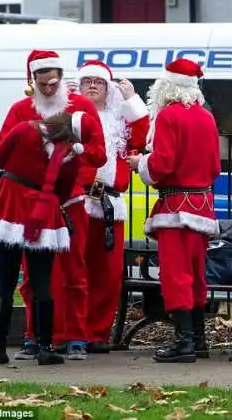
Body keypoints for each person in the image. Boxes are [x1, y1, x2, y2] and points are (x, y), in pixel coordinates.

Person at [0, 49, 107, 362]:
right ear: (32, 80)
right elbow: (2, 151)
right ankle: (34, 336)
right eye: (43, 83)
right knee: (33, 277)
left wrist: (77, 149)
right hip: (33, 206)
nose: (49, 89)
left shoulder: (81, 107)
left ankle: (76, 336)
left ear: (61, 78)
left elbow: (100, 153)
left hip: (70, 201)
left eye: (53, 82)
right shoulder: (20, 110)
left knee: (75, 270)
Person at [0, 112, 97, 366]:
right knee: (42, 282)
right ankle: (45, 348)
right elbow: (64, 189)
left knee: (4, 283)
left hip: (9, 204)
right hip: (44, 212)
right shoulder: (70, 154)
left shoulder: (24, 129)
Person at [127, 57, 221, 363]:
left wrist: (139, 163)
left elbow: (162, 164)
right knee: (196, 276)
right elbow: (215, 167)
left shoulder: (168, 117)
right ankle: (198, 340)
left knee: (175, 275)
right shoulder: (207, 117)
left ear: (166, 86)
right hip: (202, 206)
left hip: (176, 208)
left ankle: (183, 345)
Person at [74, 60, 149, 353]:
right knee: (75, 271)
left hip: (110, 204)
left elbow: (143, 134)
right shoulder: (74, 116)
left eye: (99, 82)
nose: (93, 85)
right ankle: (73, 332)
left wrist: (131, 98)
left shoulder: (120, 119)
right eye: (87, 81)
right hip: (78, 202)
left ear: (108, 88)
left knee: (107, 274)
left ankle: (97, 333)